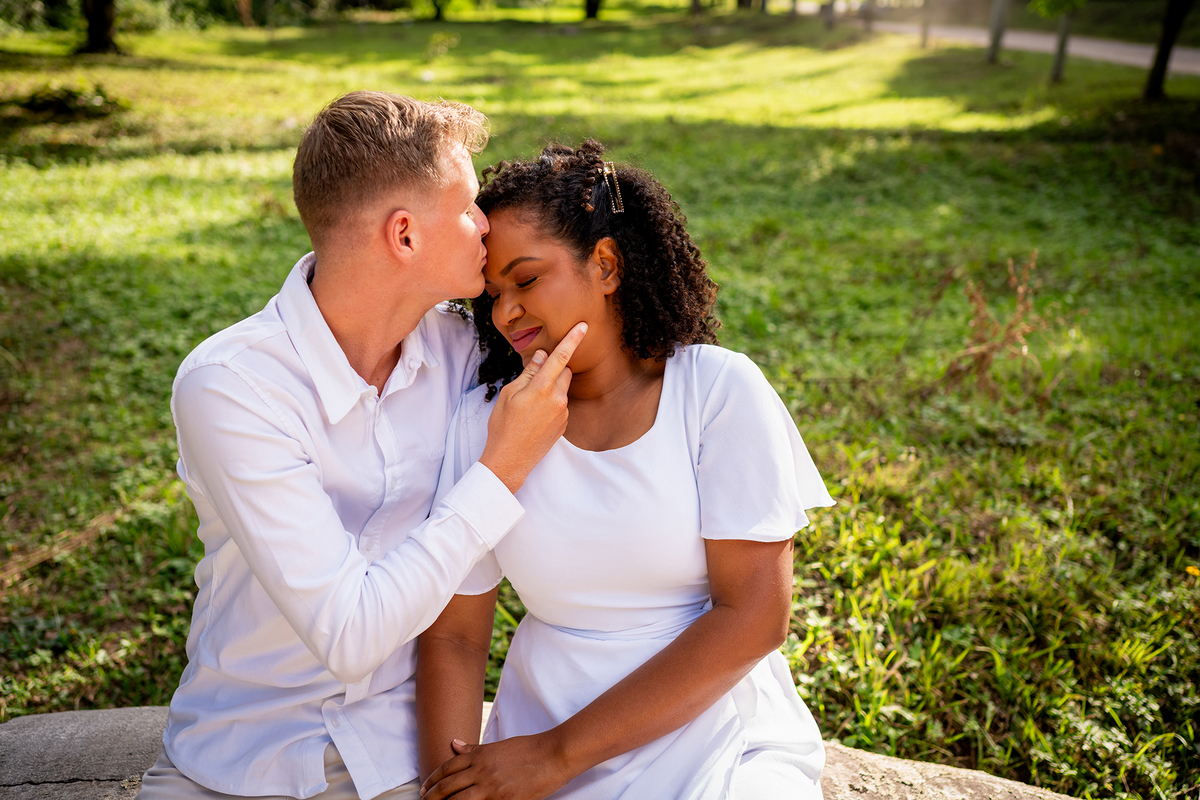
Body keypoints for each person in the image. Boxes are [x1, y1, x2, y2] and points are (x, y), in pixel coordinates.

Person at [137, 92, 586, 800]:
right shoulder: (231, 387)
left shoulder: (468, 351)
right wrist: (500, 471)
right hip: (238, 758)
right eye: (468, 206)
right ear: (404, 236)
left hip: (404, 750)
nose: (485, 226)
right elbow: (349, 634)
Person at [417, 141, 834, 800]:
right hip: (541, 719)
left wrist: (555, 758)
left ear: (606, 265)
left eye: (526, 280)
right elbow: (455, 634)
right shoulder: (485, 423)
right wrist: (454, 785)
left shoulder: (716, 392)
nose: (505, 313)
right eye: (492, 295)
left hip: (716, 727)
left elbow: (755, 615)